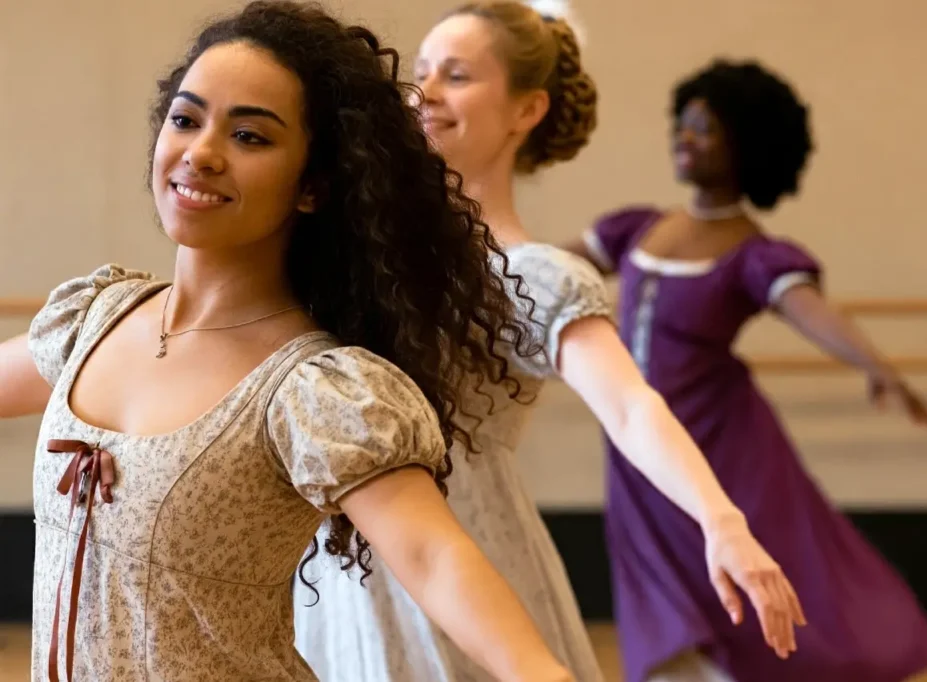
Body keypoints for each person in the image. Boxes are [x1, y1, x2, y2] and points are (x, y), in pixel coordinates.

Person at [0, 2, 604, 679]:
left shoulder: (318, 388)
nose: (200, 153)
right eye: (185, 118)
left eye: (251, 137)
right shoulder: (94, 320)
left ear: (313, 185)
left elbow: (435, 561)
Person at [293, 4, 804, 682]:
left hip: (460, 559)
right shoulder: (358, 248)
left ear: (526, 110)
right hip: (330, 568)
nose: (427, 93)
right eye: (421, 73)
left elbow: (630, 407)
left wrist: (722, 522)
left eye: (458, 74)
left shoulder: (530, 274)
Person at [564, 59, 927, 681]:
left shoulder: (756, 254)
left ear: (746, 146)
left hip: (722, 441)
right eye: (681, 124)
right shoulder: (636, 227)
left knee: (762, 562)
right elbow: (543, 268)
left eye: (705, 129)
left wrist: (878, 367)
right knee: (658, 581)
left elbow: (814, 313)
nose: (684, 137)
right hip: (636, 444)